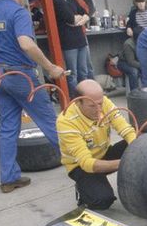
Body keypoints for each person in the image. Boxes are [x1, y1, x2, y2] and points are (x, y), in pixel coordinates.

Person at [0, 0, 65, 193]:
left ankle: (9, 179)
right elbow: (26, 43)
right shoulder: (18, 13)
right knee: (50, 123)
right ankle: (81, 169)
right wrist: (51, 67)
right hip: (21, 75)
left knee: (7, 127)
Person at [56, 80, 136, 209]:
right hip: (80, 166)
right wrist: (125, 163)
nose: (99, 110)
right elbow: (87, 163)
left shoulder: (103, 102)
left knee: (142, 142)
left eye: (100, 104)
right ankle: (84, 189)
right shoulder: (65, 122)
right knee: (103, 200)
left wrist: (140, 150)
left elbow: (126, 129)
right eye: (92, 106)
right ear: (78, 102)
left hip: (103, 153)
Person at [51, 0, 90, 98]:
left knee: (83, 72)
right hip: (68, 42)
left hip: (80, 39)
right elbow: (71, 19)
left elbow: (85, 13)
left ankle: (86, 97)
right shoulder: (55, 0)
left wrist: (81, 18)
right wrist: (78, 18)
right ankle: (76, 100)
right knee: (72, 74)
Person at [118, 26, 142, 90]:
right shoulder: (128, 44)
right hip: (124, 62)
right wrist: (143, 65)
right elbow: (131, 62)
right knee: (134, 72)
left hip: (138, 61)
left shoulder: (145, 42)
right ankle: (135, 93)